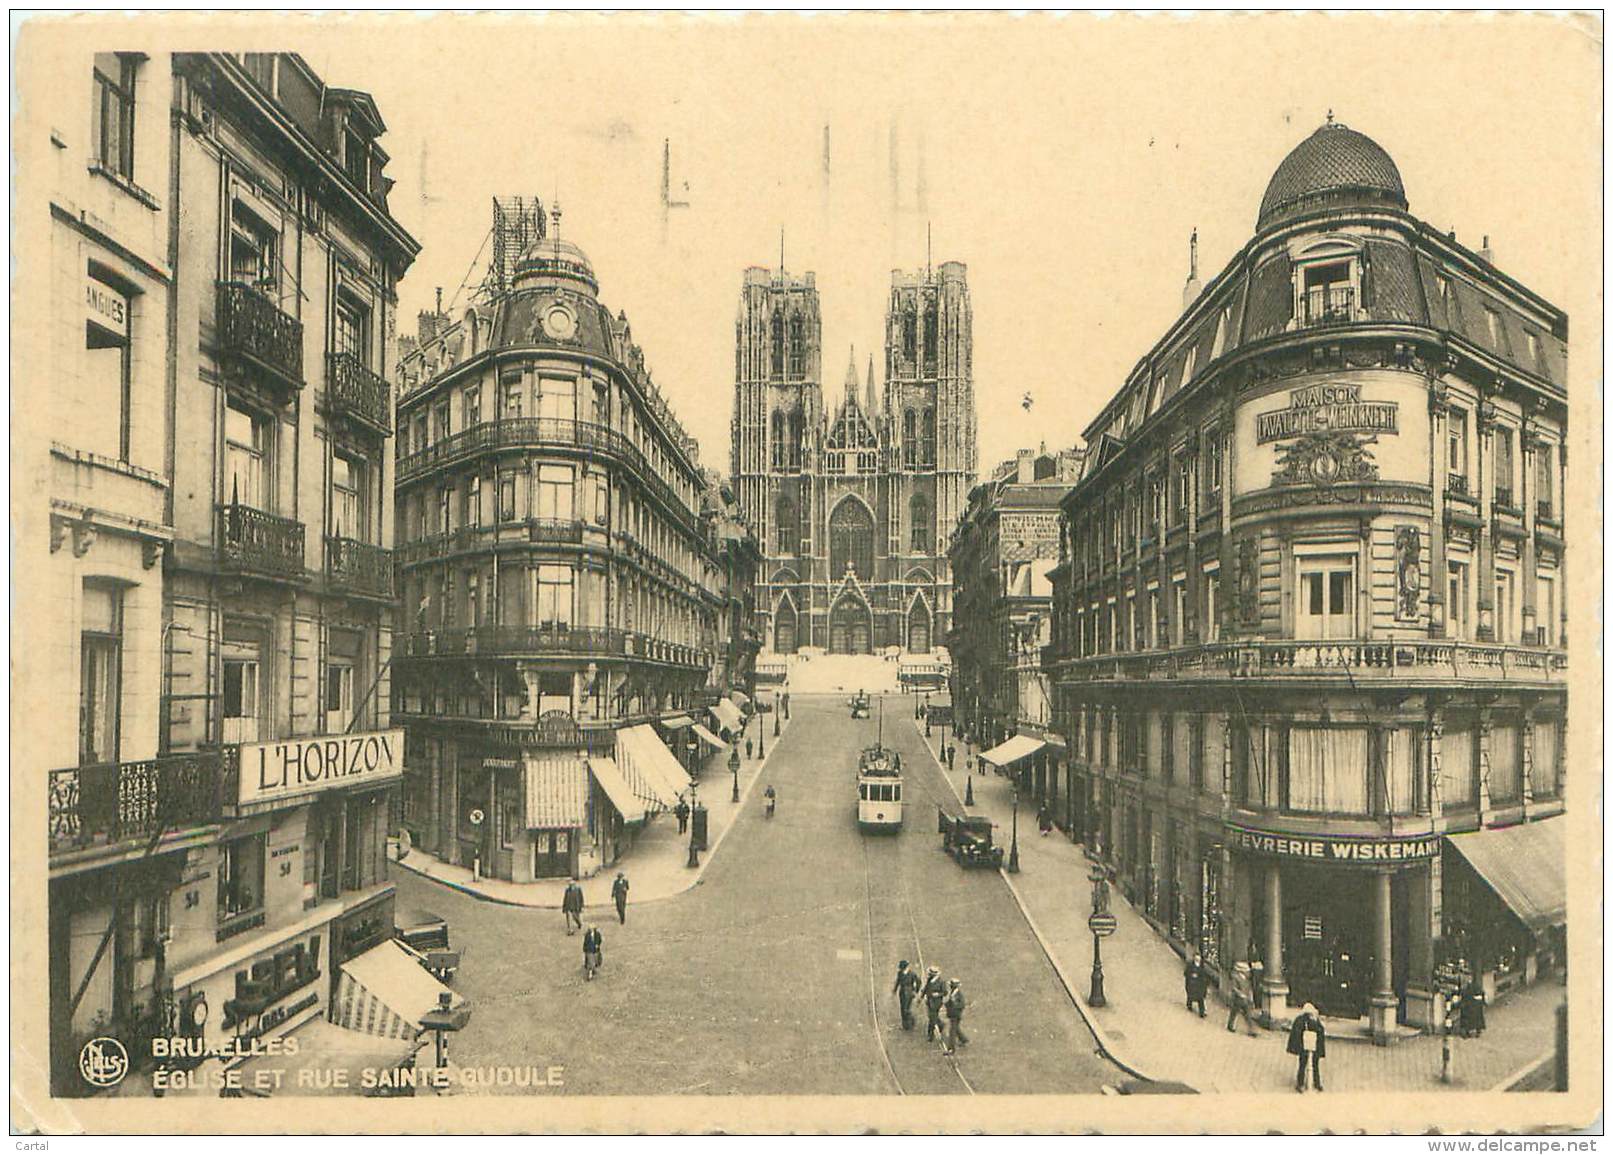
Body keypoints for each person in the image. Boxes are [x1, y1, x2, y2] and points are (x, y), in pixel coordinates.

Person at [1287, 1003, 1327, 1092]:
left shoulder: (1303, 1021)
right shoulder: (1307, 1021)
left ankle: (1307, 1083)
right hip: (1307, 1046)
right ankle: (1309, 1083)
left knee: (1308, 1064)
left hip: (1308, 1046)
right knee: (1308, 1064)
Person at [1226, 960, 1259, 1035]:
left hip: (1244, 999)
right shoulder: (1236, 977)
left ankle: (1251, 1030)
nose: (1248, 972)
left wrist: (1249, 996)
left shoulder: (1246, 978)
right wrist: (1241, 994)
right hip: (1237, 999)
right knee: (1234, 1013)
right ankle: (1231, 1025)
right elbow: (1234, 988)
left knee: (1247, 1015)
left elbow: (1249, 988)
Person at [942, 979, 969, 1055]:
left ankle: (951, 1049)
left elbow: (962, 1005)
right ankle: (964, 1039)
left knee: (952, 1032)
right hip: (952, 1015)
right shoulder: (952, 993)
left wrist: (954, 1004)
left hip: (956, 1016)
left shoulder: (959, 995)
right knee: (956, 1029)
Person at [892, 960, 921, 1030]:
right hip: (902, 992)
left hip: (909, 992)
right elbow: (898, 982)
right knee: (903, 1008)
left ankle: (912, 1023)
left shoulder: (912, 974)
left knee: (906, 1009)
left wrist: (915, 991)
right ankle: (905, 1025)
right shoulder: (900, 973)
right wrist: (895, 990)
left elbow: (919, 982)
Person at [922, 967, 947, 1042]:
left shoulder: (941, 982)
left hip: (937, 1002)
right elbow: (926, 988)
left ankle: (930, 1035)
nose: (929, 975)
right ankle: (940, 1024)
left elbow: (945, 992)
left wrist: (938, 994)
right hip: (929, 1001)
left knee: (932, 1017)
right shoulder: (929, 980)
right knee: (932, 1016)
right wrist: (922, 996)